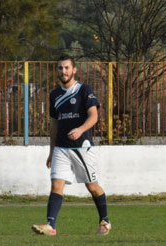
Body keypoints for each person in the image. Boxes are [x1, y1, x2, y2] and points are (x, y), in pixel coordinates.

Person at [32, 54, 111, 236]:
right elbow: (54, 124)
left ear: (74, 70)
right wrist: (51, 151)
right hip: (61, 148)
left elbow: (94, 116)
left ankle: (105, 220)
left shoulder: (84, 90)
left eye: (67, 67)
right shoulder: (54, 95)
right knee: (56, 185)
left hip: (81, 147)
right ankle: (51, 226)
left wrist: (80, 129)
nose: (64, 71)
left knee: (92, 187)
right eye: (60, 68)